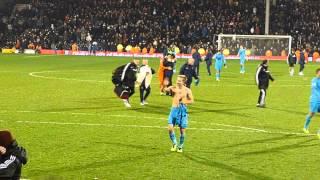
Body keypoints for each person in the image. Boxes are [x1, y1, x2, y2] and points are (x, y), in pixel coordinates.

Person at [164, 75, 194, 153]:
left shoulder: (187, 90)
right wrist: (165, 86)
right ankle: (174, 143)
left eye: (180, 81)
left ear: (184, 82)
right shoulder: (173, 88)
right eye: (177, 80)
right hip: (173, 110)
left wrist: (184, 102)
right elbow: (167, 91)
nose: (177, 82)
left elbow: (192, 100)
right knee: (170, 128)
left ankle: (180, 146)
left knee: (182, 131)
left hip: (183, 111)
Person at [302, 68, 320, 138]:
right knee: (311, 114)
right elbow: (315, 89)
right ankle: (305, 127)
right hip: (315, 100)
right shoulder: (314, 80)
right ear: (317, 73)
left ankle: (319, 132)